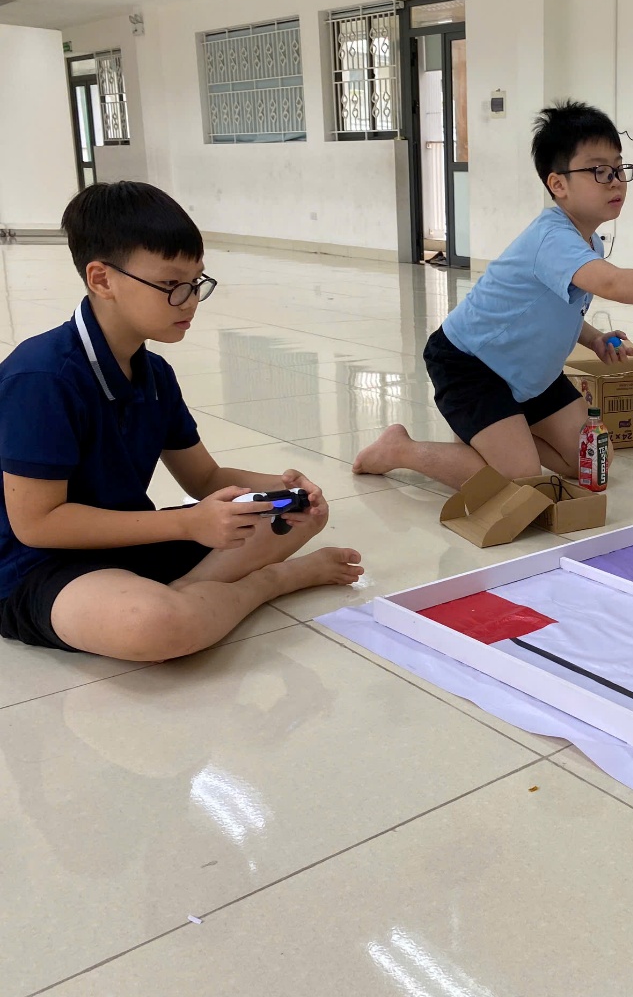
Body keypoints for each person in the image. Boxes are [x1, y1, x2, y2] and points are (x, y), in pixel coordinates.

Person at [0, 182, 363, 661]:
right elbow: (38, 525)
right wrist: (190, 524)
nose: (190, 300)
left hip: (128, 541)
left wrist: (282, 487)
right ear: (102, 279)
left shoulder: (153, 372)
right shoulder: (41, 377)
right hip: (38, 567)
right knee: (153, 626)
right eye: (171, 285)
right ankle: (268, 584)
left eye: (197, 282)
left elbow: (204, 477)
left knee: (295, 514)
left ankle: (191, 592)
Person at [352, 101, 633, 488]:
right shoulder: (552, 238)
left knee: (593, 461)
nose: (616, 180)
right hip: (471, 365)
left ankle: (497, 434)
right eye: (599, 171)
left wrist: (594, 338)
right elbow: (613, 284)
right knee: (519, 478)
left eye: (619, 169)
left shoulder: (590, 244)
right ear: (558, 183)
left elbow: (558, 306)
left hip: (532, 373)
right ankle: (400, 449)